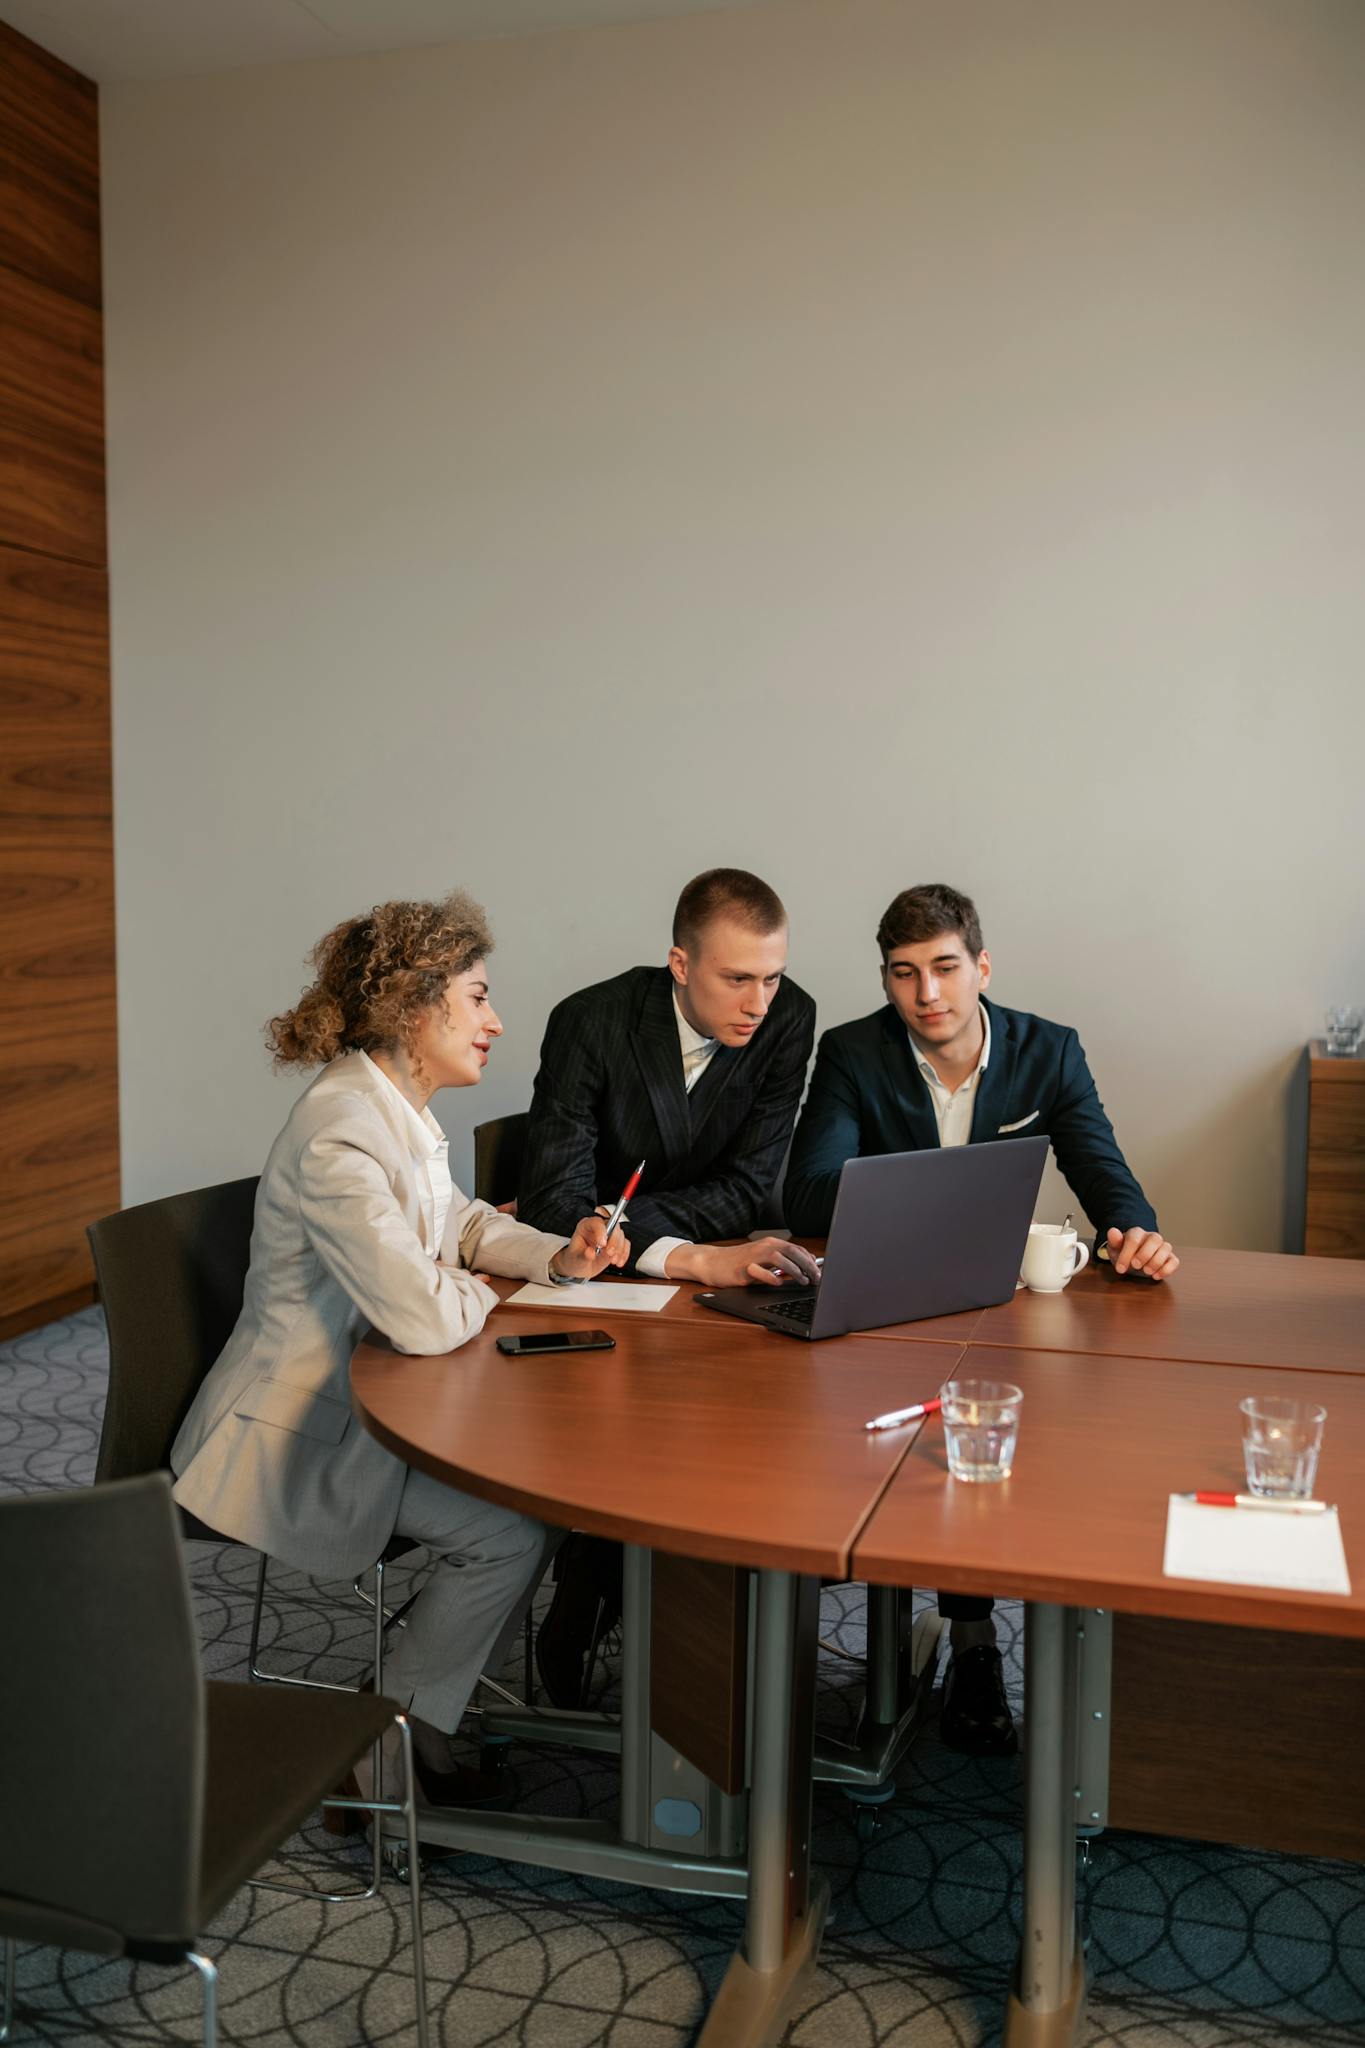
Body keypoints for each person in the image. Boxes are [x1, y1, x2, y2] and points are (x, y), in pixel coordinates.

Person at [172, 892, 627, 1805]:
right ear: (417, 1008)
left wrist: (557, 1258)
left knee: (528, 1503)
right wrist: (476, 1287)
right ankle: (383, 1744)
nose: (496, 1021)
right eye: (479, 997)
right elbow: (422, 1318)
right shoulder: (342, 1128)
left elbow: (454, 1223)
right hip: (293, 1435)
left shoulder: (393, 1105)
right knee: (510, 1529)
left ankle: (418, 1707)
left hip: (364, 1404)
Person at [784, 882, 1178, 1756]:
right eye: (904, 974)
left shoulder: (1048, 1051)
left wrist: (1136, 1234)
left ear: (981, 966)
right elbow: (806, 1190)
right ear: (885, 980)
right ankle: (910, 1636)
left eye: (945, 969)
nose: (927, 994)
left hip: (996, 1313)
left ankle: (971, 1639)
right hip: (883, 1310)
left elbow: (1100, 1170)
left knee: (996, 1450)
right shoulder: (852, 1052)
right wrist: (932, 1191)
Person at [517, 866, 819, 1703]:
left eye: (770, 976)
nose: (758, 1003)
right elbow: (549, 1201)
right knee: (633, 1421)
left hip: (711, 1277)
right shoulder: (590, 1021)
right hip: (592, 1289)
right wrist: (681, 1250)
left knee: (757, 1428)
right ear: (679, 966)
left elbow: (755, 1187)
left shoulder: (789, 1018)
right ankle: (592, 1570)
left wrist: (646, 1230)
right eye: (735, 979)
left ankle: (691, 1619)